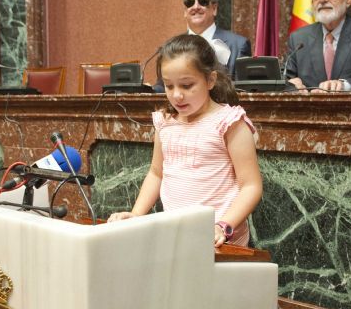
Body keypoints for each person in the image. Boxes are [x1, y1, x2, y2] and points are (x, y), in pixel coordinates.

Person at [108, 34, 263, 247]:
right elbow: (156, 173)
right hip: (177, 237)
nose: (177, 95)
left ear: (210, 80)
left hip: (220, 243)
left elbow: (251, 186)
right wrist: (136, 214)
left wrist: (223, 226)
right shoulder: (165, 121)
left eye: (187, 85)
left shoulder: (229, 122)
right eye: (169, 86)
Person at [183, 0, 252, 77]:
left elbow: (242, 89)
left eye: (203, 2)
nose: (196, 6)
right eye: (190, 3)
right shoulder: (172, 47)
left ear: (214, 9)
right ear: (185, 11)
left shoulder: (238, 45)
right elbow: (163, 85)